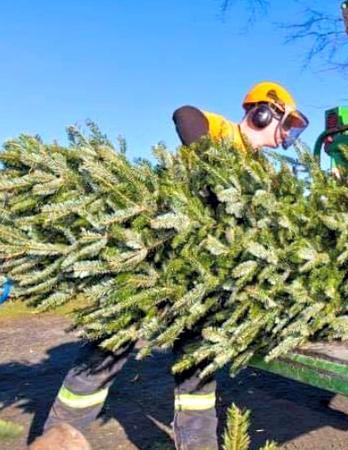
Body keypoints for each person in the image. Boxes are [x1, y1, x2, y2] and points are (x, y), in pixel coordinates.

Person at [31, 82, 309, 450]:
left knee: (198, 363)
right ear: (263, 113)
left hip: (200, 279)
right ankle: (57, 439)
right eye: (285, 124)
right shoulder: (222, 132)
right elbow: (185, 113)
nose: (286, 136)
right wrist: (213, 168)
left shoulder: (258, 170)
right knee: (110, 346)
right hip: (152, 263)